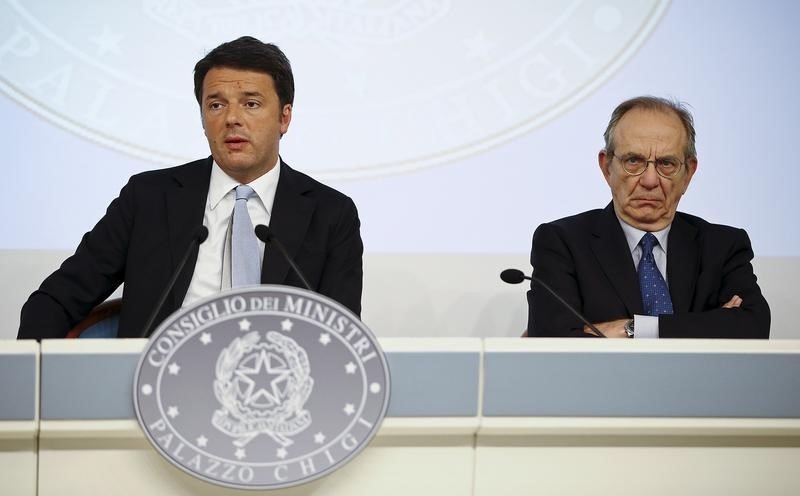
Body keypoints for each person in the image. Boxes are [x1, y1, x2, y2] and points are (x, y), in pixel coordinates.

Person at [18, 36, 363, 339]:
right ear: (202, 118)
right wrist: (29, 390)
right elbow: (56, 300)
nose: (231, 118)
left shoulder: (330, 214)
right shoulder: (148, 199)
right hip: (153, 393)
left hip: (273, 392)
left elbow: (341, 333)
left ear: (284, 117)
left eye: (251, 103)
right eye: (216, 104)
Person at [527, 96, 769, 338]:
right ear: (606, 167)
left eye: (666, 163)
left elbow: (752, 327)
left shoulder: (722, 247)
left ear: (688, 173)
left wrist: (632, 329)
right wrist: (711, 323)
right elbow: (551, 337)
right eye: (634, 161)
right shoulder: (562, 243)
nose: (650, 180)